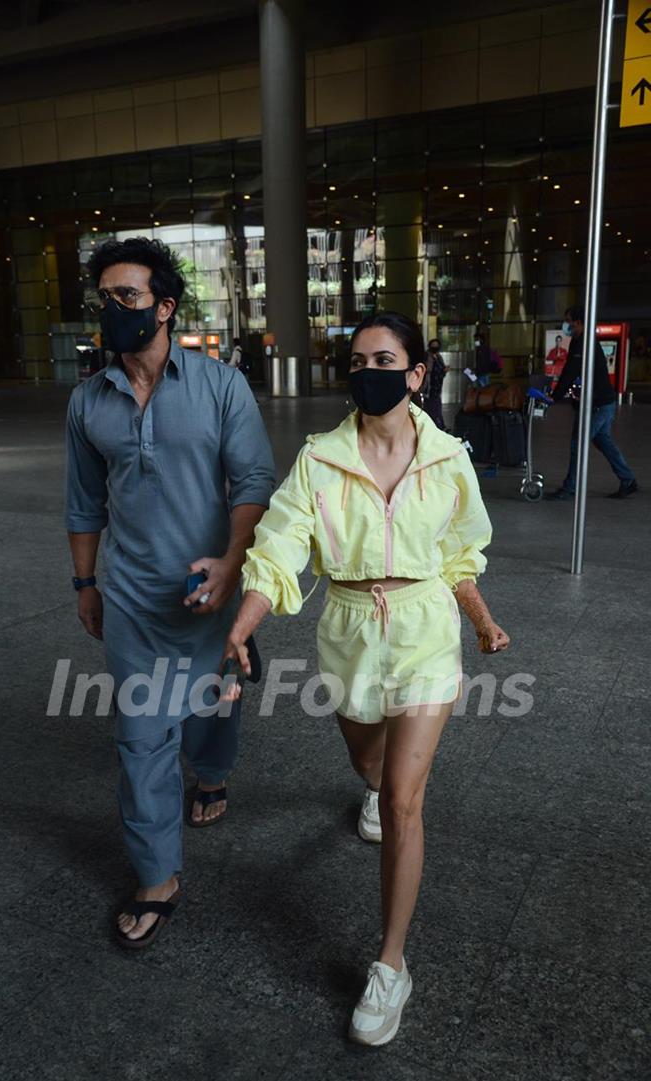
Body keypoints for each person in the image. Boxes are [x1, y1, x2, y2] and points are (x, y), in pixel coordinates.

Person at [218, 311, 509, 1046]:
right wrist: (244, 621)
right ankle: (372, 788)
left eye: (385, 358)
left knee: (407, 803)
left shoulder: (449, 459)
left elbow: (460, 552)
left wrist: (478, 616)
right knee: (368, 764)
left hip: (424, 629)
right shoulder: (320, 459)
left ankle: (391, 964)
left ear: (416, 373)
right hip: (347, 626)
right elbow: (279, 544)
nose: (367, 370)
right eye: (356, 359)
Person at [65, 237, 275, 947]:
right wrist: (86, 583)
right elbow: (83, 501)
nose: (115, 309)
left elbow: (252, 484)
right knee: (141, 736)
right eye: (107, 299)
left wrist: (229, 562)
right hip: (129, 597)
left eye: (128, 296)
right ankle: (158, 876)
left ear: (166, 306)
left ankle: (212, 774)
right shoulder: (87, 400)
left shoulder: (220, 386)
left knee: (213, 706)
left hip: (208, 588)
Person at [546, 305, 638, 500]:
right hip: (603, 402)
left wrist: (554, 396)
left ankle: (570, 488)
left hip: (597, 405)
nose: (567, 325)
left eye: (569, 321)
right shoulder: (581, 341)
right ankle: (628, 479)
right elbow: (574, 372)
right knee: (603, 442)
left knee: (577, 444)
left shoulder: (583, 343)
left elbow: (570, 372)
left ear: (578, 322)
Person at [423, 338, 448, 430]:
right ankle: (438, 426)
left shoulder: (439, 356)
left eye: (436, 346)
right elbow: (426, 369)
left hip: (438, 385)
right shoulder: (426, 356)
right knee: (432, 406)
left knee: (436, 405)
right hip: (429, 386)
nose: (435, 347)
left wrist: (444, 370)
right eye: (433, 345)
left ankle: (440, 425)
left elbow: (441, 370)